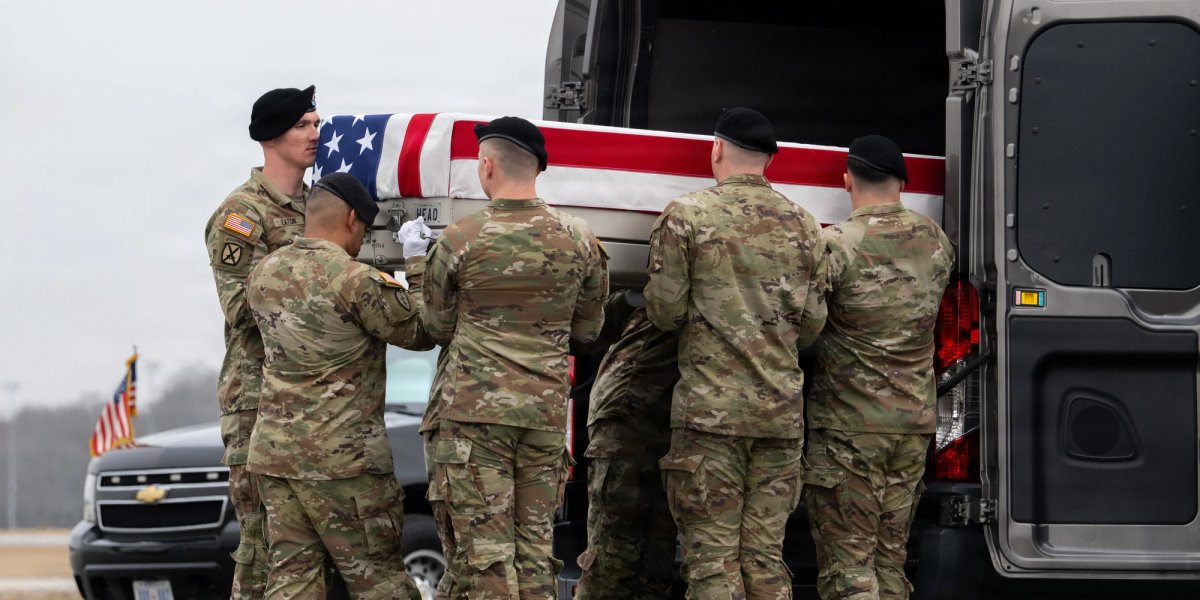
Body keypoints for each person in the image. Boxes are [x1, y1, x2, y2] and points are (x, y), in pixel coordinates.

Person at [423, 116, 609, 599]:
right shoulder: (580, 238)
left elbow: (437, 327)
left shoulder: (459, 239)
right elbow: (588, 330)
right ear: (536, 169)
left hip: (474, 420)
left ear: (486, 165)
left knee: (486, 557)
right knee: (534, 553)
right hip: (544, 417)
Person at [644, 107, 828, 599]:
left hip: (711, 419)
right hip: (780, 420)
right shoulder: (807, 225)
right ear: (769, 160)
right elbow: (812, 325)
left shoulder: (687, 216)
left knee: (712, 562)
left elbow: (664, 312)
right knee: (765, 559)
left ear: (718, 148)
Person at [244, 173, 434, 599]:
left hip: (277, 456)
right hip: (343, 463)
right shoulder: (354, 280)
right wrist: (417, 263)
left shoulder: (263, 273)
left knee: (292, 579)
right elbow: (421, 331)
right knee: (379, 581)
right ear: (352, 219)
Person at [803, 135, 953, 600]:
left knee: (848, 567)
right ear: (904, 183)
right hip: (911, 426)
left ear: (846, 179)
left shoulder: (837, 245)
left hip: (852, 428)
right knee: (890, 561)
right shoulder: (936, 241)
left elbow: (806, 327)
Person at [203, 84, 318, 599]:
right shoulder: (242, 216)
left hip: (320, 400)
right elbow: (243, 310)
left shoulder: (324, 208)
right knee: (264, 544)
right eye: (303, 125)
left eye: (317, 123)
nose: (316, 134)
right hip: (260, 399)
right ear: (272, 137)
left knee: (313, 548)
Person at [575, 290, 679, 600]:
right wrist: (633, 297)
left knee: (655, 561)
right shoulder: (669, 267)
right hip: (628, 414)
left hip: (665, 424)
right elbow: (588, 334)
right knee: (613, 555)